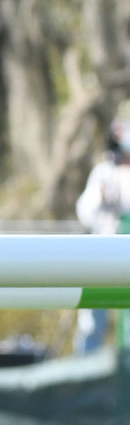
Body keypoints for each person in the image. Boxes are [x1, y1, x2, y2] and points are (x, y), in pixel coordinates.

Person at [74, 114, 130, 352]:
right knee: (92, 321)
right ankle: (84, 376)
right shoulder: (103, 172)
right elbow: (85, 210)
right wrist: (103, 200)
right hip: (103, 254)